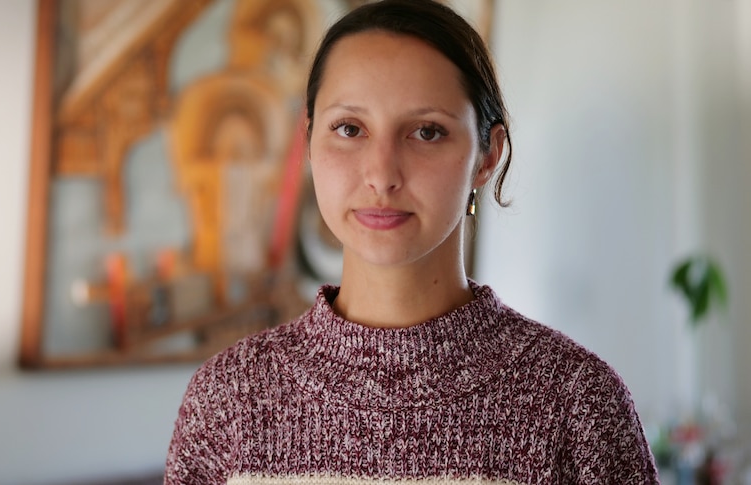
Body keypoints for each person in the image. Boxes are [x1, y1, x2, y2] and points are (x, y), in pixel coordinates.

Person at [164, 0, 659, 483]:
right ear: (310, 141)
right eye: (349, 128)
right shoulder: (226, 402)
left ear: (487, 157)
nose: (381, 174)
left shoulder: (577, 404)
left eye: (426, 132)